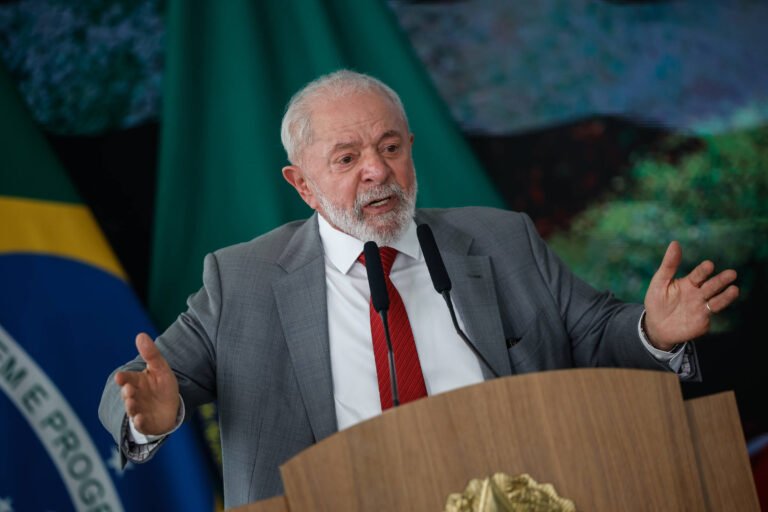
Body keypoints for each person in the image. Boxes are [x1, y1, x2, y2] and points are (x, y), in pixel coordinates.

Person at [99, 70, 739, 508]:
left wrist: (653, 331)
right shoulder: (242, 280)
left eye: (390, 147)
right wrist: (150, 416)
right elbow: (133, 388)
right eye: (347, 158)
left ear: (410, 148)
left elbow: (596, 332)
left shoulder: (502, 240)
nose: (377, 171)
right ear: (302, 184)